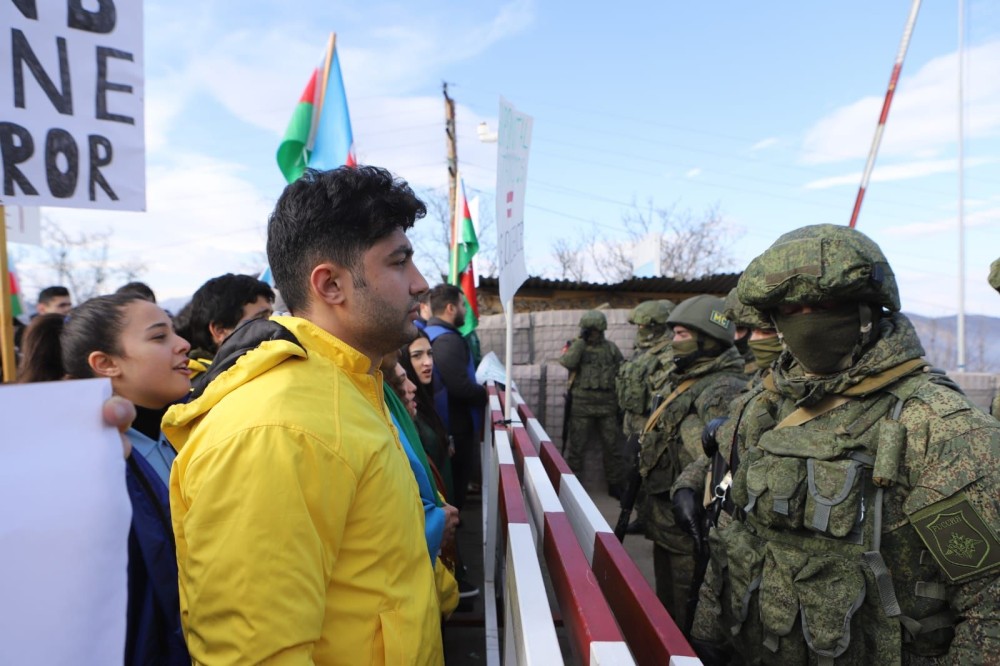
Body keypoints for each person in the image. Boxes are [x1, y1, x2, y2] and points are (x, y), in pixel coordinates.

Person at [163, 166, 443, 665]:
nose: (421, 284)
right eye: (399, 262)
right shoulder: (276, 428)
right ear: (330, 284)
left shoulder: (351, 387)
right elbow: (257, 654)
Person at [690, 224, 1000, 665]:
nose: (806, 320)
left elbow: (988, 605)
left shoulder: (937, 427)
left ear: (868, 309)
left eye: (824, 305)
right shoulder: (758, 409)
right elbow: (731, 538)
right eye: (789, 308)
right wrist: (708, 635)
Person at [25, 293, 191, 665]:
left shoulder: (192, 434)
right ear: (105, 363)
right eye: (159, 337)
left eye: (175, 332)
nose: (183, 344)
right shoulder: (77, 464)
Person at [638, 295, 746, 632]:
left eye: (682, 334)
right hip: (666, 518)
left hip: (691, 526)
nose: (673, 342)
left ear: (708, 338)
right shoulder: (690, 378)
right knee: (665, 607)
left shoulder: (721, 387)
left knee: (688, 612)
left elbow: (722, 457)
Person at [425, 283, 487, 511]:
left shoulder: (430, 334)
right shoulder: (447, 341)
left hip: (444, 426)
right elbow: (460, 387)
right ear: (451, 308)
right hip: (454, 429)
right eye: (463, 305)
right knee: (453, 491)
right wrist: (487, 392)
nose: (466, 310)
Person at [559, 309, 626, 496]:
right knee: (577, 448)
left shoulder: (611, 348)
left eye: (595, 330)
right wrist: (580, 342)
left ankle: (615, 485)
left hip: (607, 405)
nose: (593, 334)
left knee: (612, 448)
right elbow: (567, 362)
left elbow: (622, 373)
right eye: (589, 330)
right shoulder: (576, 346)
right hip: (581, 405)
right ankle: (573, 485)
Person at [177, 273, 275, 381]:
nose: (275, 324)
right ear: (219, 331)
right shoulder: (200, 390)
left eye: (272, 315)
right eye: (261, 318)